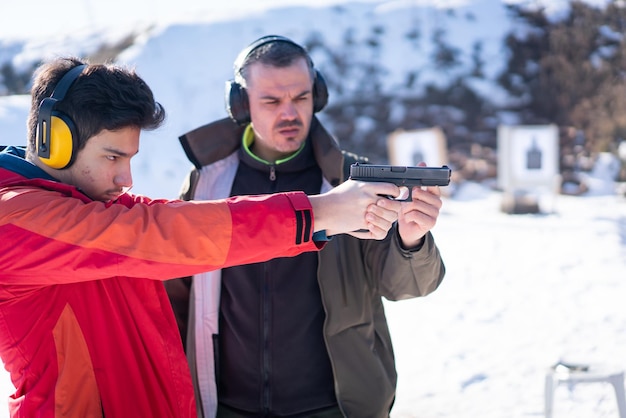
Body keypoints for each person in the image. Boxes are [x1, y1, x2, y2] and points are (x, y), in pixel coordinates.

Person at [0, 56, 404, 418]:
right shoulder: (13, 219)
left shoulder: (87, 202)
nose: (126, 179)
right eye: (112, 157)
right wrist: (322, 211)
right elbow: (163, 235)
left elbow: (175, 220)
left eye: (130, 158)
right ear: (54, 143)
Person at [165, 35, 446, 418]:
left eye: (300, 98)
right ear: (240, 104)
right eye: (271, 101)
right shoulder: (207, 182)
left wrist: (411, 241)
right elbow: (175, 296)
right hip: (226, 406)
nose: (290, 113)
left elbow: (406, 285)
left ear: (318, 95)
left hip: (332, 407)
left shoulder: (349, 180)